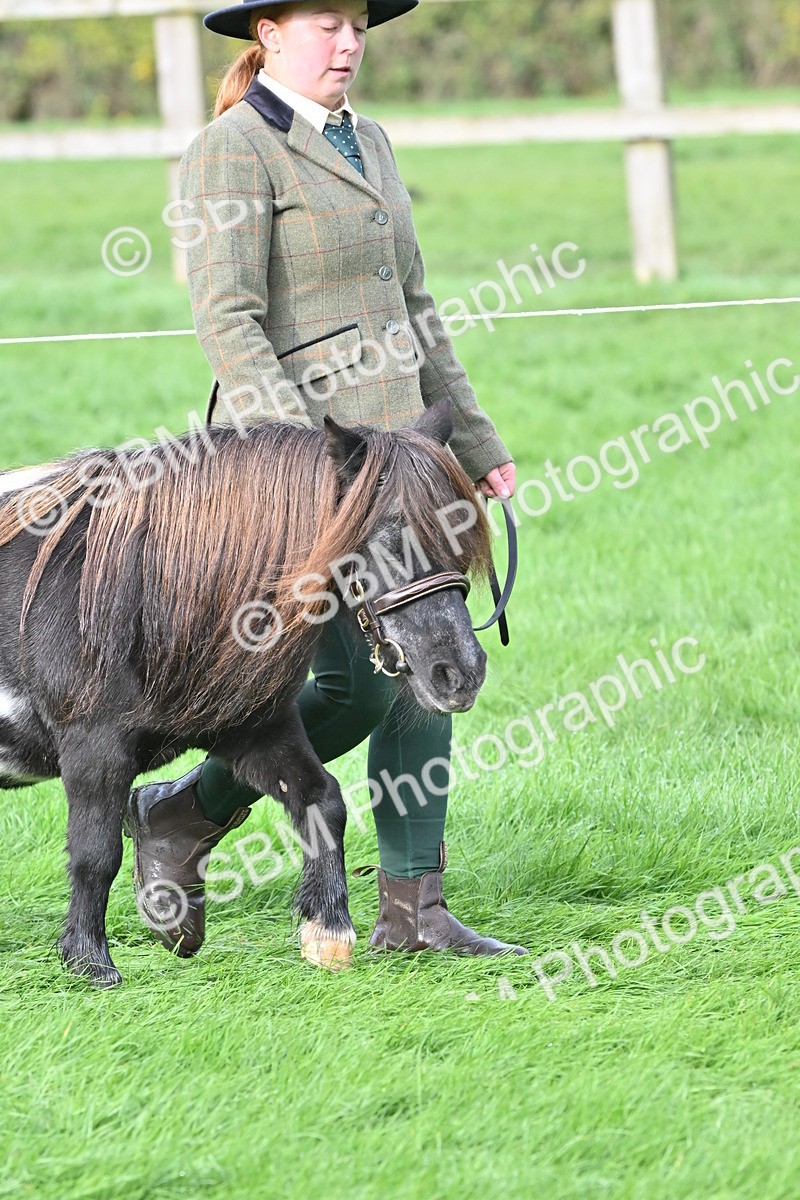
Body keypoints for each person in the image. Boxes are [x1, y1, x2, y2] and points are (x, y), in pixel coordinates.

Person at [124, 0, 526, 961]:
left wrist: (472, 440)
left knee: (432, 660)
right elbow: (228, 321)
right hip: (302, 474)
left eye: (357, 25)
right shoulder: (231, 149)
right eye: (325, 24)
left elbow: (415, 304)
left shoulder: (370, 139)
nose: (349, 43)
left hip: (406, 459)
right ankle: (181, 812)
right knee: (351, 690)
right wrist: (312, 465)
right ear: (267, 34)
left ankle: (412, 912)